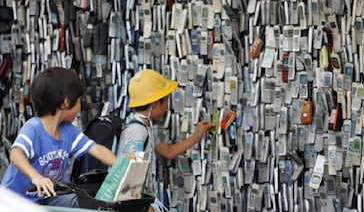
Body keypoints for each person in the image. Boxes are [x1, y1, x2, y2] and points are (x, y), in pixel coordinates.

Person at [1, 67, 117, 207]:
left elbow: (98, 150)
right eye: (79, 100)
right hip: (15, 201)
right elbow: (16, 154)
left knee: (82, 203)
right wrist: (36, 177)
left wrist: (124, 166)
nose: (81, 106)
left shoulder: (69, 132)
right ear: (67, 102)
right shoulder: (33, 128)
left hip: (45, 199)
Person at [117, 69, 213, 208]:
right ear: (155, 104)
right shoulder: (137, 132)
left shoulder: (145, 127)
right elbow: (129, 180)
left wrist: (198, 135)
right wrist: (145, 208)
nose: (167, 107)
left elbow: (168, 151)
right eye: (166, 101)